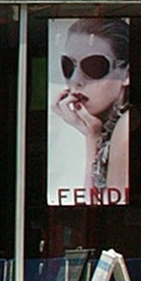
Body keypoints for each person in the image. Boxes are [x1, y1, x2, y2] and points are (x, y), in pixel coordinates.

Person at [53, 15, 132, 200]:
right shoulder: (111, 127)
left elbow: (102, 203)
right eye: (68, 66)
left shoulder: (124, 127)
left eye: (94, 66)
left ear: (126, 75)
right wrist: (92, 135)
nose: (76, 81)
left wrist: (92, 138)